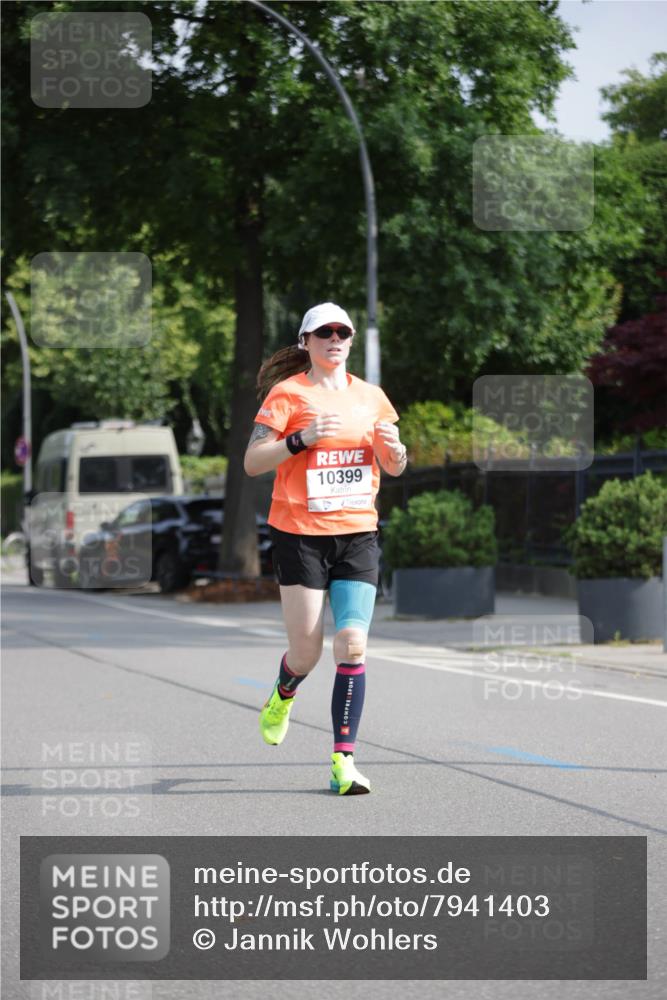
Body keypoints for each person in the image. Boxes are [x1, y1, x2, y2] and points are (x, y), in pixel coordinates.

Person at [243, 302, 407, 795]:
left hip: (357, 532)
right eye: (324, 332)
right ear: (306, 342)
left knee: (352, 644)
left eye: (343, 332)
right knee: (307, 652)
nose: (335, 338)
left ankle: (343, 762)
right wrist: (300, 440)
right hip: (299, 535)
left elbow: (393, 464)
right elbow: (253, 462)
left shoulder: (373, 397)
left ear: (351, 340)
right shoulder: (286, 395)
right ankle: (283, 691)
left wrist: (396, 455)